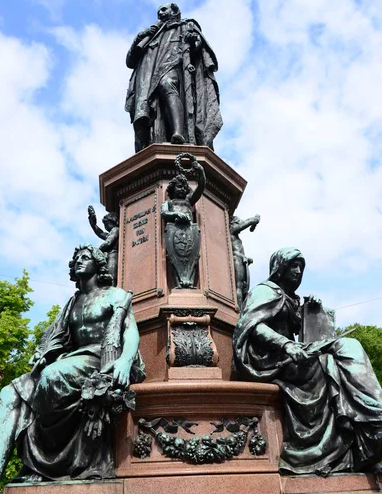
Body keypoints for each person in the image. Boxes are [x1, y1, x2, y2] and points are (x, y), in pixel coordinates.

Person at [0, 245, 145, 494]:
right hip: (70, 361)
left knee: (51, 377)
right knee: (8, 393)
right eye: (76, 259)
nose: (78, 261)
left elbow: (130, 332)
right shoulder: (72, 303)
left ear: (99, 264)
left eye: (85, 257)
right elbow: (55, 339)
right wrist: (42, 353)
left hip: (98, 359)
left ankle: (45, 456)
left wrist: (125, 360)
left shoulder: (115, 295)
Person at [233, 247, 382, 476]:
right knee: (327, 365)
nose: (297, 271)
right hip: (270, 361)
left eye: (301, 267)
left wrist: (309, 310)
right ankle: (365, 434)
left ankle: (373, 416)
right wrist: (286, 345)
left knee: (348, 345)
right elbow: (252, 325)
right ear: (280, 268)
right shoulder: (264, 292)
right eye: (293, 265)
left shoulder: (290, 298)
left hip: (293, 355)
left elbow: (304, 329)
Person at [125, 3, 222, 152]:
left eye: (164, 9)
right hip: (148, 77)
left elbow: (198, 48)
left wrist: (193, 40)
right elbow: (130, 62)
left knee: (167, 84)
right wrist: (140, 36)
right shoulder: (150, 35)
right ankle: (150, 143)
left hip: (172, 65)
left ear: (175, 11)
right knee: (149, 111)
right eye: (158, 11)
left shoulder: (185, 25)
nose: (160, 13)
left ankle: (178, 133)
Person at [161, 155, 205, 288]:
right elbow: (163, 213)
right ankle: (178, 282)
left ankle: (189, 281)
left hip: (190, 232)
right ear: (172, 188)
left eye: (183, 187)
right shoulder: (168, 203)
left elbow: (201, 186)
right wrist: (176, 213)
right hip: (174, 232)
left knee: (192, 257)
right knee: (173, 258)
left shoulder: (189, 201)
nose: (181, 189)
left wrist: (201, 171)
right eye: (178, 186)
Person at [230, 214, 261, 309]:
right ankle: (238, 311)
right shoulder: (231, 230)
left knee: (243, 288)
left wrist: (247, 259)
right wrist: (253, 220)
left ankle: (241, 307)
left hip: (242, 260)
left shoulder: (236, 237)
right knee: (239, 286)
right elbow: (243, 225)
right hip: (237, 259)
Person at [88, 206, 119, 285]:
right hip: (108, 256)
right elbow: (100, 233)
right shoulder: (111, 232)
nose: (105, 227)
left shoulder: (115, 229)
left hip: (113, 256)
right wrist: (93, 224)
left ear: (112, 221)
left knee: (111, 278)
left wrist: (96, 252)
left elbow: (108, 242)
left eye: (106, 224)